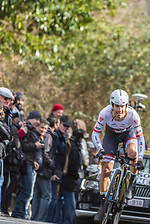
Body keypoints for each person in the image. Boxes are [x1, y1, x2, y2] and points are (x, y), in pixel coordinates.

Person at [92, 89, 145, 222]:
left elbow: (140, 139)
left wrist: (140, 158)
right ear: (112, 105)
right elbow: (95, 134)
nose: (120, 109)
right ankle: (103, 203)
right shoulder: (104, 113)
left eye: (122, 106)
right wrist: (100, 149)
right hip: (111, 135)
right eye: (117, 106)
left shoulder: (133, 115)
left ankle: (131, 182)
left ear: (126, 105)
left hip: (128, 134)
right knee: (105, 168)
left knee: (133, 152)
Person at [11, 110, 44, 219]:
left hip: (29, 161)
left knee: (24, 188)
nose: (38, 122)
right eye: (36, 119)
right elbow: (23, 146)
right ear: (30, 118)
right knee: (26, 189)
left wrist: (34, 160)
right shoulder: (25, 128)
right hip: (24, 163)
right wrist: (35, 145)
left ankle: (19, 211)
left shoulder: (32, 130)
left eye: (39, 120)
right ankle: (19, 212)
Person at [59, 128, 84, 224]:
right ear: (80, 138)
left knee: (63, 201)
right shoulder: (74, 147)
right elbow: (73, 165)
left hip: (66, 178)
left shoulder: (71, 144)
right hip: (70, 179)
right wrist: (76, 175)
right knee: (70, 203)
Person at [31, 118, 53, 221]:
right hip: (43, 169)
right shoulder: (44, 137)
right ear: (37, 127)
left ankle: (35, 218)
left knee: (38, 194)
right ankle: (39, 219)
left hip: (40, 168)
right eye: (42, 128)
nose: (43, 130)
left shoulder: (44, 136)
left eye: (45, 128)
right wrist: (52, 165)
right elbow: (46, 153)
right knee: (46, 195)